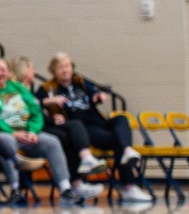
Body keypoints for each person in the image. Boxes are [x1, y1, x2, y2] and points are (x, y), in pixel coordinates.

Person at [0, 57, 100, 205]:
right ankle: (15, 188)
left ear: (8, 72)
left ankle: (65, 188)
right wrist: (13, 133)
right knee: (5, 142)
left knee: (52, 141)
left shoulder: (18, 88)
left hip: (27, 133)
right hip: (5, 134)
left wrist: (33, 131)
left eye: (2, 70)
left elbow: (36, 111)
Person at [41, 52, 150, 203]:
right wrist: (49, 102)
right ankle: (129, 187)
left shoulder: (80, 81)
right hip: (81, 129)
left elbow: (95, 93)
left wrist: (98, 96)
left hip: (98, 121)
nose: (65, 70)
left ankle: (127, 151)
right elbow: (34, 103)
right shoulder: (48, 88)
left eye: (67, 66)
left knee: (121, 119)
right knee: (118, 141)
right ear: (54, 71)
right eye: (60, 67)